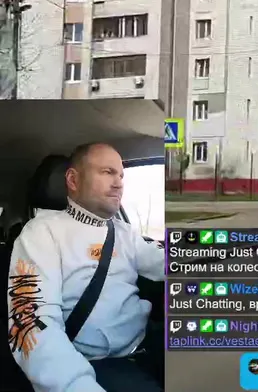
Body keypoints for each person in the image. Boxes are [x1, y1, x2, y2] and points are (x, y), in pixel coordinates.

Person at [6, 143, 165, 392]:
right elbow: (31, 322)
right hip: (95, 365)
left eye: (121, 175)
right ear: (72, 180)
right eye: (107, 172)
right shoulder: (41, 233)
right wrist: (76, 384)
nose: (119, 183)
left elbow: (165, 263)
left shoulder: (124, 232)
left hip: (150, 346)